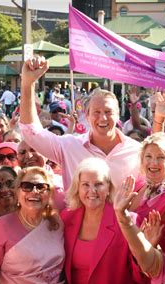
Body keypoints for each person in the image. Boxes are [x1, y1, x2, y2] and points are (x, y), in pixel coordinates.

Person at [19, 56, 141, 190]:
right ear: (87, 116)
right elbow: (31, 131)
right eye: (96, 112)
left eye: (108, 112)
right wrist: (27, 84)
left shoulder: (137, 151)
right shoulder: (69, 147)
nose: (103, 118)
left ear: (118, 116)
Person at [61, 158, 144, 284]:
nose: (92, 190)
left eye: (98, 184)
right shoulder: (66, 218)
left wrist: (142, 253)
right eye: (85, 184)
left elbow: (141, 275)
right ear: (77, 188)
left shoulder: (127, 220)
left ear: (108, 188)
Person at [0, 167, 66, 284]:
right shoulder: (1, 226)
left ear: (50, 193)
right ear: (17, 192)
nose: (34, 191)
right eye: (27, 186)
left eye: (41, 187)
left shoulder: (58, 223)